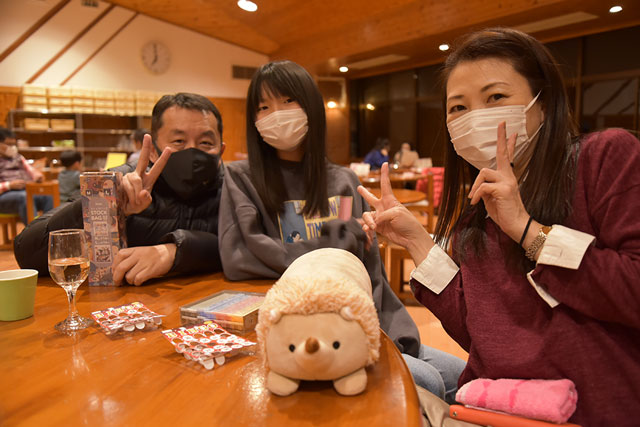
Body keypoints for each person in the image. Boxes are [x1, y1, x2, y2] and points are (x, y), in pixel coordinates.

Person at [358, 28, 640, 424]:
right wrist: (418, 242)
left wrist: (526, 229)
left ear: (543, 104)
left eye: (495, 98)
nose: (475, 117)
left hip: (593, 409)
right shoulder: (476, 214)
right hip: (499, 408)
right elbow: (483, 336)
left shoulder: (603, 159)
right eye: (458, 108)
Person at [218, 60, 465, 403]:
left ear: (312, 108)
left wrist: (381, 329)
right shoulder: (241, 178)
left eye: (288, 101)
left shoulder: (342, 181)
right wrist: (331, 248)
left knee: (463, 376)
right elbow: (239, 256)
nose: (276, 113)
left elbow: (362, 261)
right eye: (263, 106)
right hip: (307, 330)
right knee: (428, 382)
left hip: (364, 313)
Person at [15, 93, 226, 286]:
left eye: (206, 142)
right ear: (152, 150)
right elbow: (29, 254)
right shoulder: (120, 181)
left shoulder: (234, 187)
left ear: (221, 151)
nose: (192, 151)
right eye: (178, 141)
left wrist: (174, 251)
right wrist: (103, 203)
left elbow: (249, 246)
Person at [0, 128, 53, 224]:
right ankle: (33, 234)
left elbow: (31, 171)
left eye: (14, 144)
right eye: (8, 144)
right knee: (25, 197)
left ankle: (47, 228)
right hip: (4, 197)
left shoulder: (18, 157)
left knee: (48, 196)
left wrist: (37, 176)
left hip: (25, 192)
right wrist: (9, 185)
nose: (12, 147)